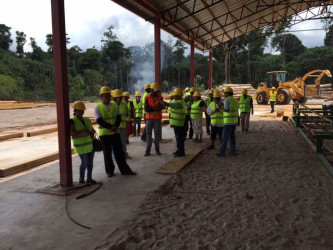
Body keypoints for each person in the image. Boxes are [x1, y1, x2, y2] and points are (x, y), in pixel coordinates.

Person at [95, 86, 136, 176]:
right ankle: (110, 171)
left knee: (120, 153)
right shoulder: (98, 108)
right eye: (106, 95)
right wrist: (111, 127)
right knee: (107, 154)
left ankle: (125, 170)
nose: (108, 97)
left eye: (109, 95)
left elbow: (118, 117)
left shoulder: (114, 105)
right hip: (104, 134)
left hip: (115, 132)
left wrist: (116, 126)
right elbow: (99, 121)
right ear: (101, 97)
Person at [70, 101, 96, 184]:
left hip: (90, 144)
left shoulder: (87, 119)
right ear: (75, 111)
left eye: (82, 110)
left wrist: (92, 132)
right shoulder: (72, 121)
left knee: (90, 163)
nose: (81, 112)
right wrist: (84, 131)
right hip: (80, 146)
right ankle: (81, 178)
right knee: (85, 162)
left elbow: (92, 129)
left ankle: (89, 178)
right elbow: (73, 134)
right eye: (79, 110)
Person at [161, 88, 186, 157]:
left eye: (175, 95)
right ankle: (179, 150)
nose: (174, 96)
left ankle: (181, 151)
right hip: (175, 123)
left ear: (179, 96)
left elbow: (169, 105)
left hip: (179, 123)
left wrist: (161, 101)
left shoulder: (180, 103)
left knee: (180, 138)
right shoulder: (175, 101)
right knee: (178, 137)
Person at [216, 87, 239, 157]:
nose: (224, 94)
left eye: (225, 93)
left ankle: (221, 152)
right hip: (234, 121)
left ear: (228, 93)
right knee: (232, 137)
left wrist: (221, 108)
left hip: (228, 122)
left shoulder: (227, 100)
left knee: (224, 138)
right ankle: (233, 151)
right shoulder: (235, 100)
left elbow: (227, 110)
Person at [144, 82, 164, 156]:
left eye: (157, 91)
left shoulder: (160, 97)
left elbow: (162, 107)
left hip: (157, 119)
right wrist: (156, 109)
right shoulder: (147, 97)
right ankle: (148, 150)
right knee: (148, 135)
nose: (156, 92)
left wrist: (152, 109)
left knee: (157, 135)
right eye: (155, 91)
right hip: (149, 119)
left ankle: (157, 150)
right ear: (152, 90)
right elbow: (146, 109)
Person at [113, 89, 131, 159]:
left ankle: (124, 154)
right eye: (119, 98)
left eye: (121, 97)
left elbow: (127, 114)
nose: (121, 99)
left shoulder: (124, 104)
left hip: (122, 126)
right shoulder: (112, 105)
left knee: (123, 142)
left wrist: (126, 119)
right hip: (115, 127)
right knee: (114, 143)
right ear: (115, 98)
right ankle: (114, 156)